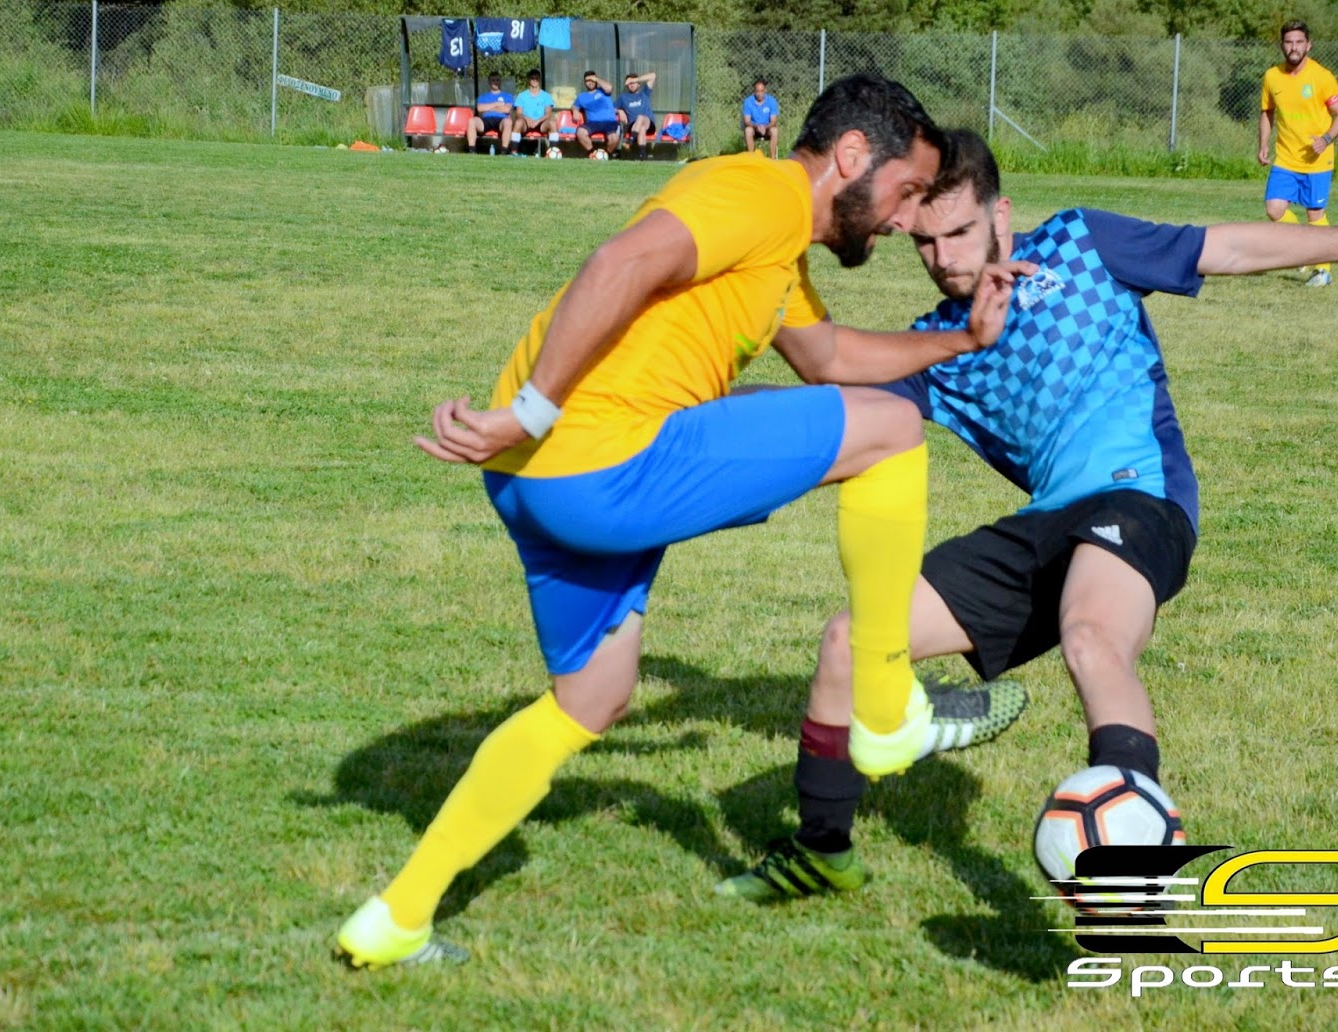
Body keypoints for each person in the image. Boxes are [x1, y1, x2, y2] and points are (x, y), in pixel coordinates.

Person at [335, 75, 1036, 969]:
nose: (904, 219)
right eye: (905, 191)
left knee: (591, 698)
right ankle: (887, 703)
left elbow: (829, 357)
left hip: (534, 480)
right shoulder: (761, 194)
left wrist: (964, 340)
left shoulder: (777, 247)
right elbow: (619, 264)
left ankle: (395, 918)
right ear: (853, 156)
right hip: (597, 462)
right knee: (893, 430)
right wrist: (532, 410)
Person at [716, 129, 1338, 903]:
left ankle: (1131, 865)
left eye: (961, 233)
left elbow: (1224, 248)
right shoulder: (940, 345)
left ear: (1002, 214)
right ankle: (821, 853)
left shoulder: (1082, 244)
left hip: (1140, 499)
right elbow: (820, 411)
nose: (945, 259)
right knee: (851, 641)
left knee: (1091, 639)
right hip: (1045, 524)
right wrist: (689, 403)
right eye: (926, 243)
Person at [1257, 20, 1338, 288]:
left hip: (1317, 160)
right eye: (1289, 42)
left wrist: (1326, 139)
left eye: (1299, 42)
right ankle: (1301, 249)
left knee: (1315, 215)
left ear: (1308, 45)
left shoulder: (1322, 77)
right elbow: (1267, 112)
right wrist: (1263, 143)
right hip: (1286, 157)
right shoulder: (1272, 76)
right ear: (1281, 45)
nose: (1294, 47)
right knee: (1274, 209)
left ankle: (1323, 270)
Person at [505, 69, 557, 154]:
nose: (534, 80)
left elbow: (548, 114)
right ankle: (514, 151)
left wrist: (537, 121)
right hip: (526, 123)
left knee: (552, 123)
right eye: (532, 78)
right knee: (518, 122)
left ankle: (553, 152)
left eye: (537, 78)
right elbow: (518, 113)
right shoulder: (522, 95)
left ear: (540, 80)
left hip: (541, 123)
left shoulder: (546, 96)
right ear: (528, 80)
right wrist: (527, 119)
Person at [573, 70, 622, 158]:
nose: (590, 82)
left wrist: (596, 79)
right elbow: (574, 107)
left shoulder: (603, 91)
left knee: (614, 138)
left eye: (592, 80)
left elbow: (609, 88)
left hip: (609, 122)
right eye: (587, 81)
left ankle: (607, 154)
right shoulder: (582, 96)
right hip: (593, 123)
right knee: (580, 132)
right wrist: (575, 112)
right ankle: (592, 153)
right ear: (584, 83)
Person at [467, 73, 515, 153]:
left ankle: (504, 151)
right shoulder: (483, 97)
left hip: (501, 120)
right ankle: (472, 150)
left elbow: (506, 109)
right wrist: (496, 104)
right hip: (486, 120)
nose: (495, 82)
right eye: (493, 80)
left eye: (497, 80)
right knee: (472, 121)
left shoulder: (508, 96)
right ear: (489, 82)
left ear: (500, 81)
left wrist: (488, 108)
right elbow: (480, 109)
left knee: (508, 122)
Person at [615, 71, 658, 159]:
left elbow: (653, 76)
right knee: (641, 128)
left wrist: (635, 79)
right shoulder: (623, 97)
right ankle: (643, 156)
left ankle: (630, 141)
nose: (631, 85)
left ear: (638, 84)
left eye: (633, 83)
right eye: (629, 83)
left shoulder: (645, 93)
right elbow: (611, 108)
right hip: (632, 126)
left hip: (648, 124)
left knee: (640, 117)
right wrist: (619, 111)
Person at [743, 79, 780, 158]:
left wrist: (765, 127)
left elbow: (773, 121)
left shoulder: (772, 101)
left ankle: (773, 159)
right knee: (748, 130)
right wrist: (757, 126)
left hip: (767, 129)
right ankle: (751, 158)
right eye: (757, 91)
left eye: (762, 91)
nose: (759, 94)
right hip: (754, 128)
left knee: (775, 131)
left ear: (765, 90)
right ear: (754, 91)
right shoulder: (748, 102)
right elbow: (747, 121)